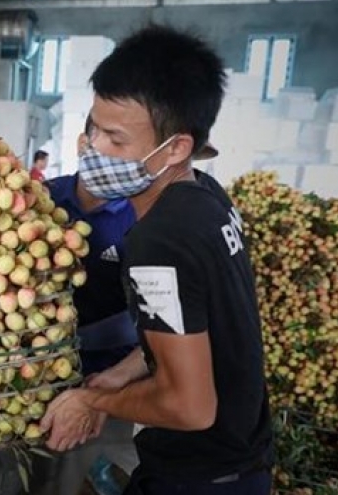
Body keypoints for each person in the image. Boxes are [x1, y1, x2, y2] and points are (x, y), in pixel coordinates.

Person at [39, 25, 273, 495]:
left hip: (198, 478)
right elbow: (194, 323)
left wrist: (90, 401)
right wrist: (120, 377)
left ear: (177, 148)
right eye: (93, 129)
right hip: (243, 463)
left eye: (117, 140)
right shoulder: (207, 197)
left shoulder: (157, 241)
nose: (95, 150)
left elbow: (190, 406)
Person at [33, 117, 220, 495]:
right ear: (84, 143)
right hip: (37, 380)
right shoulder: (42, 201)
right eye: (111, 144)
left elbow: (167, 323)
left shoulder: (146, 218)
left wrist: (110, 388)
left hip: (113, 381)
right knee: (37, 476)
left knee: (96, 476)